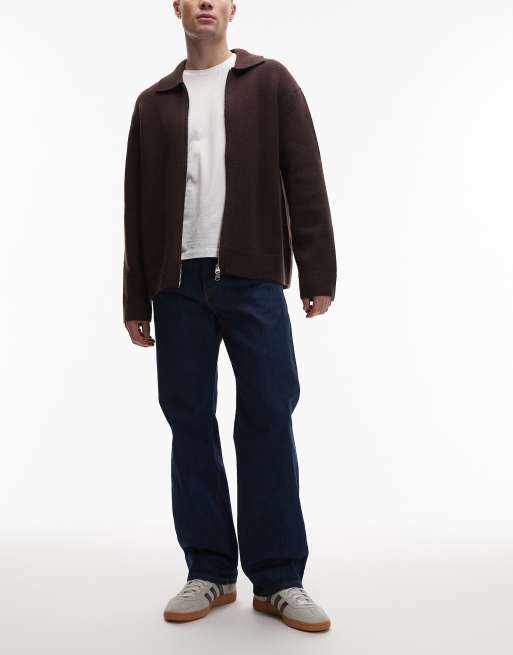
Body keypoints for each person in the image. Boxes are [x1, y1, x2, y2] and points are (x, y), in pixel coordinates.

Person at [122, 0, 337, 633]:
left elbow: (305, 178)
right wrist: (136, 298)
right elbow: (136, 207)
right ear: (178, 8)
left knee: (268, 415)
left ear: (232, 6)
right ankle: (210, 571)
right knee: (189, 423)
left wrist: (318, 272)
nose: (206, 3)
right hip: (177, 285)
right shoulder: (153, 103)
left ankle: (279, 579)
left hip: (253, 276)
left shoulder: (270, 82)